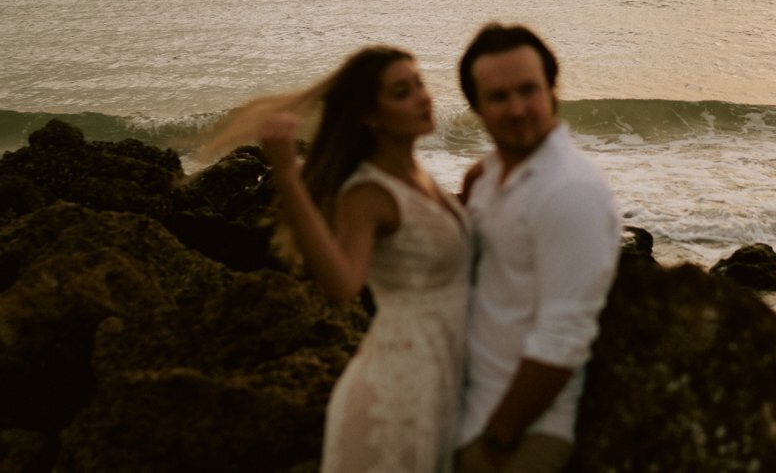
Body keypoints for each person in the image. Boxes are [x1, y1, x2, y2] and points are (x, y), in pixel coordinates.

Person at [200, 46, 472, 472]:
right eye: (403, 92)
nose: (423, 97)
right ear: (370, 116)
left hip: (439, 376)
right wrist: (289, 177)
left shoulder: (420, 176)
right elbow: (343, 285)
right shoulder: (368, 193)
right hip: (397, 391)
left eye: (419, 83)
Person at [453, 24, 622, 473]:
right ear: (477, 108)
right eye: (499, 97)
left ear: (553, 91)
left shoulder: (569, 191)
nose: (518, 109)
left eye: (529, 90)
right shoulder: (489, 178)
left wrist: (497, 438)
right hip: (467, 416)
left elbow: (564, 336)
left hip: (522, 438)